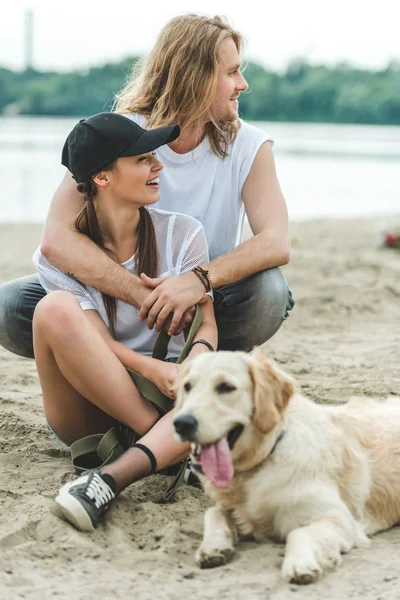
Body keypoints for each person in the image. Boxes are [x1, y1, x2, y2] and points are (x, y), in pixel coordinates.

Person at [0, 14, 294, 362]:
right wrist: (144, 297)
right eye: (231, 72)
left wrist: (196, 282)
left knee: (270, 292)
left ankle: (200, 358)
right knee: (11, 306)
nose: (242, 83)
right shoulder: (121, 132)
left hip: (201, 303)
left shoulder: (250, 145)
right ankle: (110, 358)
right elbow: (57, 239)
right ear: (194, 78)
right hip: (112, 299)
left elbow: (275, 242)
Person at [33, 112, 218, 532]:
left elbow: (206, 320)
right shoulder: (60, 258)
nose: (158, 166)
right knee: (55, 309)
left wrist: (197, 362)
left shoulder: (184, 234)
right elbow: (96, 342)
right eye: (142, 159)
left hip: (167, 394)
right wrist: (154, 367)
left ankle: (144, 457)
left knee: (214, 388)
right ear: (102, 177)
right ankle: (169, 442)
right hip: (95, 405)